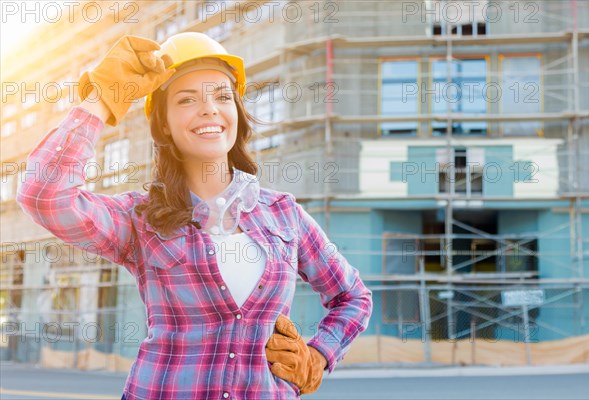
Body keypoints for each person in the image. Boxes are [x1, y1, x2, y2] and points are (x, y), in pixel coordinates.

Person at [16, 32, 372, 399]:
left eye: (222, 96)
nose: (209, 109)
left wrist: (318, 355)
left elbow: (354, 297)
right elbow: (44, 195)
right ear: (165, 124)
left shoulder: (285, 215)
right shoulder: (139, 219)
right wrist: (102, 99)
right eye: (187, 99)